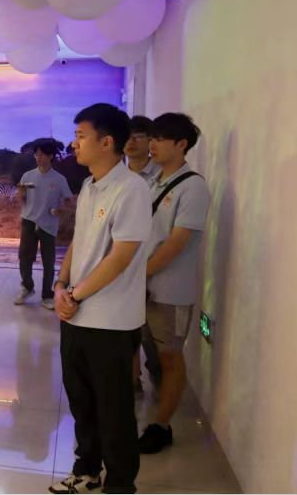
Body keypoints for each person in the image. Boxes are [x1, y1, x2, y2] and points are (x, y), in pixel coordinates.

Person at [50, 104, 151, 494]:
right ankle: (87, 469)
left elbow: (120, 257)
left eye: (81, 136)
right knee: (82, 402)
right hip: (76, 314)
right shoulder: (90, 186)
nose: (74, 143)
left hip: (110, 321)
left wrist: (74, 294)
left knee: (114, 408)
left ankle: (121, 484)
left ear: (107, 142)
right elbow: (80, 241)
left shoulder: (131, 189)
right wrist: (61, 283)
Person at [138, 113, 211, 454]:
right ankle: (154, 410)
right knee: (151, 355)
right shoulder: (151, 182)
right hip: (143, 288)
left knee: (169, 357)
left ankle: (162, 426)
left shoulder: (193, 187)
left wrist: (140, 274)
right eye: (152, 137)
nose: (152, 144)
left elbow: (176, 242)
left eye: (160, 138)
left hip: (170, 292)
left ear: (182, 144)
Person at [125, 115, 163, 394]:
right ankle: (132, 381)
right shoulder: (117, 177)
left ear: (151, 140)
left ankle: (159, 382)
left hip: (154, 267)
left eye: (138, 135)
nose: (131, 141)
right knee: (126, 330)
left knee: (152, 335)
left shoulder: (162, 177)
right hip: (123, 266)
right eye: (127, 135)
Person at [15, 140, 73, 310]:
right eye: (37, 154)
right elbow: (22, 199)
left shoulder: (59, 179)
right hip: (28, 221)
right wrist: (21, 194)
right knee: (24, 258)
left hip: (48, 223)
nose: (38, 157)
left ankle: (47, 295)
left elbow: (68, 201)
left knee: (48, 261)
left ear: (51, 156)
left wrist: (61, 210)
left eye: (42, 154)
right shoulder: (27, 176)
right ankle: (27, 287)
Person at [125, 116, 162, 180]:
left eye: (137, 136)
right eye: (126, 137)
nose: (130, 141)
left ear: (150, 140)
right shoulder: (119, 175)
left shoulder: (162, 171)